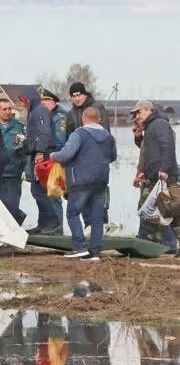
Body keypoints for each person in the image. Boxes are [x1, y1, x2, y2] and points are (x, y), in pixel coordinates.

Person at [51, 106, 117, 261]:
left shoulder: (78, 134)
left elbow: (66, 155)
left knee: (73, 213)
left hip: (81, 180)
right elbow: (113, 156)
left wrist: (53, 155)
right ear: (99, 119)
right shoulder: (108, 137)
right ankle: (95, 252)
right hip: (101, 181)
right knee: (97, 218)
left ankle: (80, 247)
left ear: (83, 118)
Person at [133, 99, 179, 254]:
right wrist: (139, 138)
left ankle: (156, 243)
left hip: (163, 177)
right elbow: (151, 152)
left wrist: (164, 169)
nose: (136, 117)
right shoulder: (151, 127)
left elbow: (168, 146)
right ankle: (156, 242)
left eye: (138, 112)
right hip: (152, 176)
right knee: (157, 210)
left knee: (163, 210)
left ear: (148, 110)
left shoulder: (159, 124)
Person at [25, 90, 69, 234]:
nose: (43, 104)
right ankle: (43, 224)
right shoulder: (38, 112)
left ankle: (56, 228)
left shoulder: (53, 115)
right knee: (38, 191)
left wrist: (40, 151)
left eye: (46, 102)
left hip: (49, 157)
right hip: (42, 155)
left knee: (51, 192)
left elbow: (52, 137)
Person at [0, 98, 28, 225]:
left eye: (9, 109)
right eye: (4, 109)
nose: (8, 112)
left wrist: (25, 169)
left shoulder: (19, 127)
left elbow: (26, 150)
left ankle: (16, 224)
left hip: (13, 172)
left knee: (12, 205)